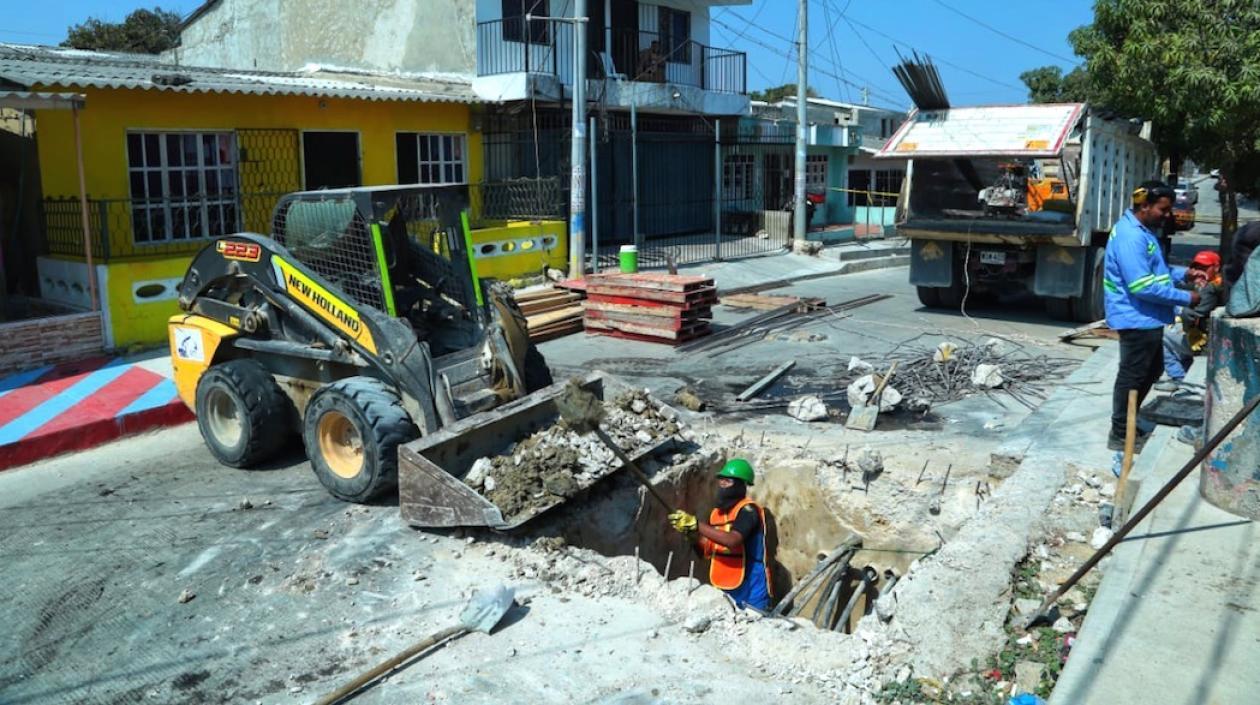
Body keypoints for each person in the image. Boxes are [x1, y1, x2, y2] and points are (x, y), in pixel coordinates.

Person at [1103, 181, 1200, 451]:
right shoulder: (1131, 237)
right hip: (1135, 317)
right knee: (1133, 374)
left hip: (1148, 317)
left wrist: (1184, 274)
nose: (1168, 215)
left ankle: (1128, 421)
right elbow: (1141, 286)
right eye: (1163, 209)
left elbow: (1156, 271)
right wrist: (1186, 297)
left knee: (1153, 368)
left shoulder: (1143, 232)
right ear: (1144, 206)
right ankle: (1121, 433)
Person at [667, 458, 772, 610]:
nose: (722, 485)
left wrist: (696, 524)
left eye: (727, 481)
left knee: (754, 626)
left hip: (751, 585)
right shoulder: (716, 514)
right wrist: (692, 536)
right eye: (721, 481)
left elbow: (733, 540)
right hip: (726, 582)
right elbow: (708, 551)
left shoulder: (748, 511)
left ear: (741, 485)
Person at [1157, 250, 1225, 391]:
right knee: (1175, 330)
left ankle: (1178, 377)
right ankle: (1182, 373)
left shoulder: (1211, 288)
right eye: (1196, 267)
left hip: (1204, 340)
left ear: (1216, 268)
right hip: (1205, 336)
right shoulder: (1215, 283)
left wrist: (1178, 307)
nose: (1198, 272)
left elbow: (1193, 315)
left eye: (1204, 268)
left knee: (1161, 333)